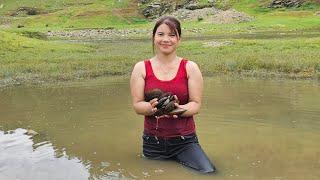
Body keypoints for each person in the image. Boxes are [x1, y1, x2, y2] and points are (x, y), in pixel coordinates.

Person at [130, 16, 216, 173]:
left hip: (185, 142)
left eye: (172, 35)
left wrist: (176, 109)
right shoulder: (141, 68)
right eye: (161, 34)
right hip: (152, 142)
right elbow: (137, 105)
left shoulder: (190, 67)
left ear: (179, 39)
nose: (166, 39)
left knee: (208, 172)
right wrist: (153, 108)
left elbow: (195, 105)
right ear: (154, 37)